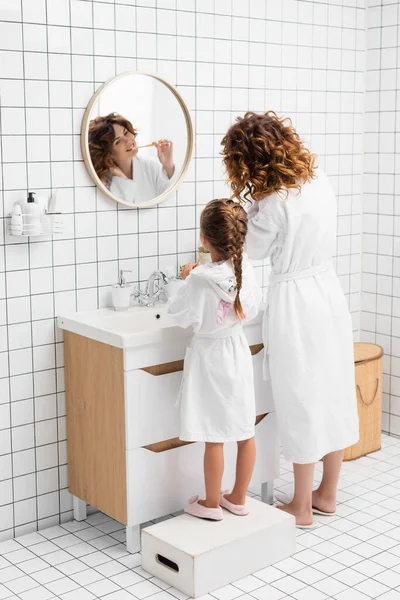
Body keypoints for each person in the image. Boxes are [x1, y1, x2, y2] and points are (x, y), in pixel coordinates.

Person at [221, 111, 359, 528]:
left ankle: (300, 506)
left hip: (295, 299)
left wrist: (245, 214)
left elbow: (257, 251)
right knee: (332, 390)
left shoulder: (273, 200)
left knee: (299, 395)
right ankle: (327, 493)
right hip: (328, 292)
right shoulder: (317, 181)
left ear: (248, 159)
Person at [167, 199, 262, 520]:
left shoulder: (198, 279)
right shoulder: (245, 268)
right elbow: (252, 306)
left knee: (214, 435)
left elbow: (179, 314)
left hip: (209, 359)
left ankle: (210, 504)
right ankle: (237, 497)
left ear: (203, 239)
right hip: (236, 352)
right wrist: (201, 272)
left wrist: (188, 278)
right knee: (244, 430)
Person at [88, 113, 174, 203]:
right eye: (118, 142)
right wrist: (120, 177)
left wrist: (168, 166)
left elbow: (169, 200)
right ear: (107, 153)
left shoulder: (151, 166)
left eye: (125, 133)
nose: (128, 140)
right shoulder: (102, 182)